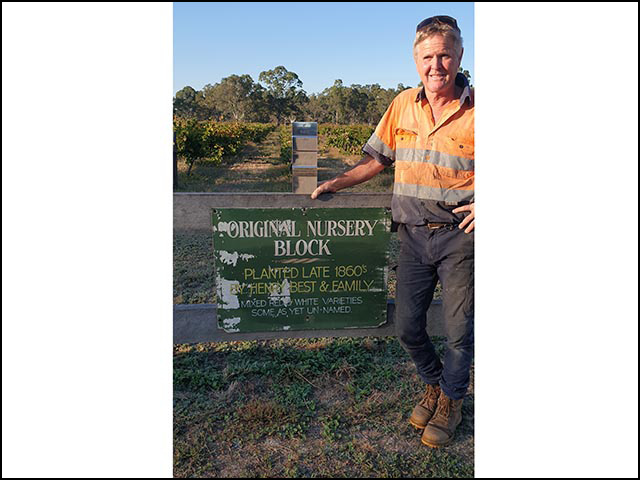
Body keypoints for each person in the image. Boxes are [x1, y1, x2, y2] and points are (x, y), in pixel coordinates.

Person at [311, 15, 474, 448]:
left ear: (459, 56)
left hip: (461, 237)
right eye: (427, 57)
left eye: (444, 55)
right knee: (407, 326)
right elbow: (377, 160)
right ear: (415, 59)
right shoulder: (402, 104)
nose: (436, 65)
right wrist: (336, 182)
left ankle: (452, 401)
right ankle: (436, 385)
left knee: (459, 331)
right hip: (413, 237)